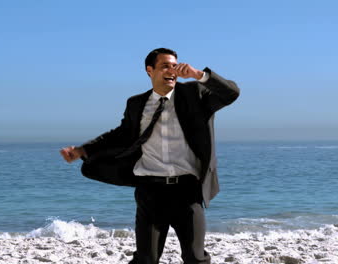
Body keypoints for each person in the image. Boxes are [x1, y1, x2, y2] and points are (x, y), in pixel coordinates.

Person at [60, 48, 240, 264]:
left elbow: (231, 93)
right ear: (149, 70)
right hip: (150, 191)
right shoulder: (136, 104)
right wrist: (82, 150)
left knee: (195, 257)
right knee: (146, 259)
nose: (172, 70)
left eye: (175, 65)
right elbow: (120, 135)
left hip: (188, 191)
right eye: (165, 65)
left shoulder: (195, 94)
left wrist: (198, 75)